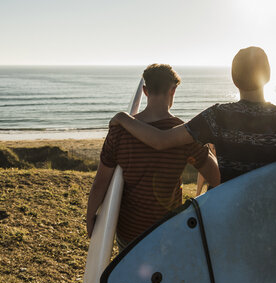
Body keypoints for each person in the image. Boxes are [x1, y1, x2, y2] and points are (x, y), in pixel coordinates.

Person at [110, 47, 276, 283]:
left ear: (234, 79)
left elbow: (161, 141)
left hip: (231, 224)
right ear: (267, 75)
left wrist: (123, 118)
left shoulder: (218, 116)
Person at [86, 64, 220, 252]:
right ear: (173, 90)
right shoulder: (184, 134)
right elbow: (215, 177)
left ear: (145, 91)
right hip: (166, 230)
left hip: (129, 230)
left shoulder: (119, 131)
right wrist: (207, 146)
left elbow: (101, 181)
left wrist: (91, 216)